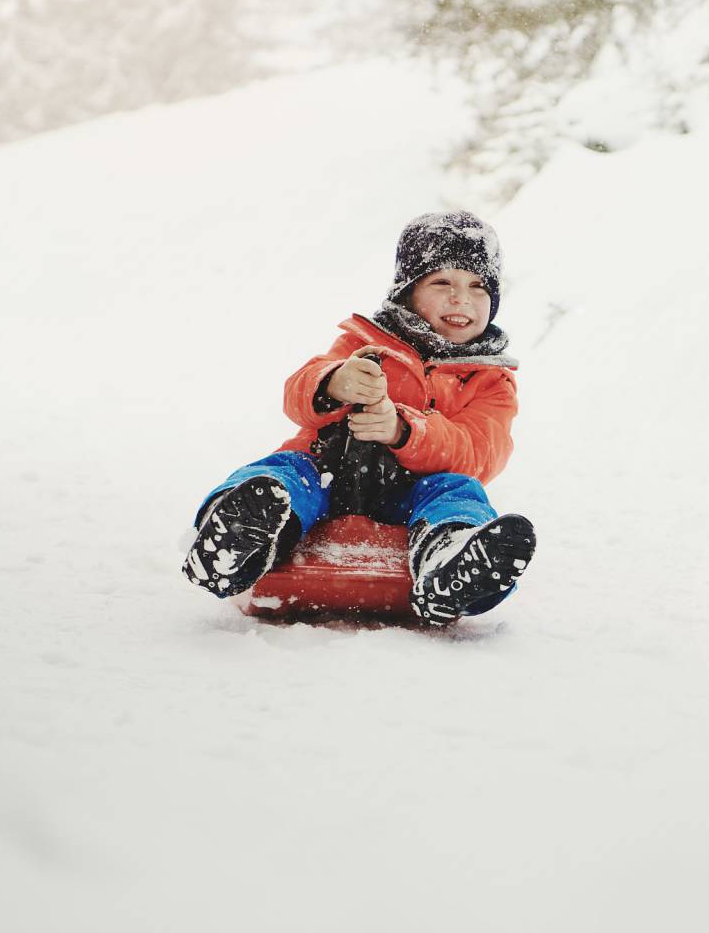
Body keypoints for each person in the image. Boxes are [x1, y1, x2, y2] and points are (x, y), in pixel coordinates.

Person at [182, 211, 535, 624]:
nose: (461, 298)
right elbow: (297, 392)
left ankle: (452, 559)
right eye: (442, 282)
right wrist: (333, 383)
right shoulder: (363, 342)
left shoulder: (490, 380)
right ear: (407, 291)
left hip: (415, 496)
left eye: (478, 286)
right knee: (285, 472)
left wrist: (405, 431)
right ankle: (236, 537)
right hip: (329, 470)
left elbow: (479, 452)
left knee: (458, 492)